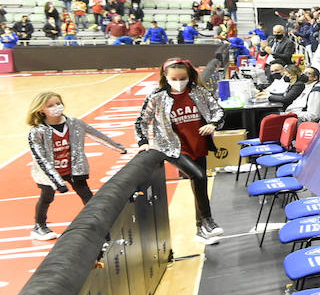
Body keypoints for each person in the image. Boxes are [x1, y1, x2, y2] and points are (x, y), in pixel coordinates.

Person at [134, 59, 223, 242]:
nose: (179, 81)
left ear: (189, 76)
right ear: (165, 77)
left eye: (183, 78)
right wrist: (143, 141)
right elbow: (141, 121)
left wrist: (213, 124)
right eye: (174, 78)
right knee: (198, 176)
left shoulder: (199, 92)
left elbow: (218, 111)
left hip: (198, 144)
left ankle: (201, 231)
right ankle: (208, 221)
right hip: (173, 148)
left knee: (200, 183)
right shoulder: (157, 96)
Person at [27, 91, 128, 240]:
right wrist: (57, 182)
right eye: (50, 105)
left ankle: (101, 224)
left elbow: (96, 135)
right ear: (41, 109)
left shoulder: (75, 123)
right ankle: (39, 226)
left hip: (74, 168)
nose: (56, 107)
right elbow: (40, 159)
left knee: (87, 196)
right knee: (47, 197)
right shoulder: (37, 132)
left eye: (58, 103)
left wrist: (117, 147)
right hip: (48, 173)